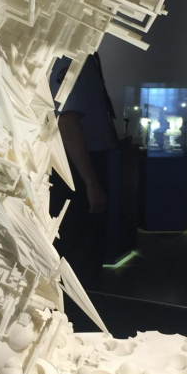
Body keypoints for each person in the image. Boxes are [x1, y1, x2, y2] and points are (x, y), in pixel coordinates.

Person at [49, 53, 118, 287]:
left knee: (88, 246)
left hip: (85, 162)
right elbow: (67, 120)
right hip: (78, 165)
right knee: (80, 250)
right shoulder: (70, 56)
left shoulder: (85, 56)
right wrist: (91, 182)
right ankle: (74, 304)